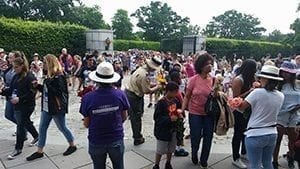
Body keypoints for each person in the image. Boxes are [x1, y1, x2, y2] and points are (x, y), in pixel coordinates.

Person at [79, 62, 129, 169]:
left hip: (96, 139)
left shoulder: (87, 98)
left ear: (96, 79)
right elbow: (124, 117)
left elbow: (86, 124)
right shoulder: (120, 94)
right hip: (116, 138)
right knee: (119, 166)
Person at [26, 54, 77, 161]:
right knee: (42, 128)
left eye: (44, 62)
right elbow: (47, 91)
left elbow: (59, 92)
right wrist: (38, 86)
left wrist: (47, 83)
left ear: (49, 63)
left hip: (56, 108)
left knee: (62, 127)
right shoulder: (50, 76)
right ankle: (40, 151)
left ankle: (72, 145)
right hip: (47, 106)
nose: (43, 64)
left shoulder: (59, 76)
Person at [236, 65, 284, 169]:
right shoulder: (281, 95)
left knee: (255, 164)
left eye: (261, 78)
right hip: (272, 132)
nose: (259, 79)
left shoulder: (256, 93)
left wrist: (235, 103)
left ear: (266, 79)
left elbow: (241, 108)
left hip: (255, 133)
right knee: (267, 163)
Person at [0, 55, 39, 160]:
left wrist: (20, 99)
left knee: (20, 125)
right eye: (13, 67)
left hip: (27, 105)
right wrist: (2, 91)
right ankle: (36, 135)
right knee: (25, 122)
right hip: (18, 105)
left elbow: (32, 93)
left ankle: (18, 148)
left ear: (22, 66)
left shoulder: (30, 76)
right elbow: (11, 89)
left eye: (16, 67)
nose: (14, 69)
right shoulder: (15, 76)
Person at [181, 53, 215, 168]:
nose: (209, 66)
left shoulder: (214, 80)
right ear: (201, 66)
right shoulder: (193, 80)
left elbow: (219, 96)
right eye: (207, 64)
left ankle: (204, 158)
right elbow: (187, 96)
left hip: (209, 114)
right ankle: (194, 152)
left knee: (208, 136)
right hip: (195, 113)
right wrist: (182, 110)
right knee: (195, 136)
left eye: (211, 63)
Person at [125, 56, 162, 145]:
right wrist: (158, 87)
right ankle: (137, 138)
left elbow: (144, 85)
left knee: (137, 116)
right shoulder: (144, 75)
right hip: (134, 96)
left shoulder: (140, 70)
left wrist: (154, 85)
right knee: (136, 118)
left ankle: (137, 135)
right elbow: (146, 91)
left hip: (132, 93)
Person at [273, 61, 300, 169]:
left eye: (288, 73)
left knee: (292, 138)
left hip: (295, 114)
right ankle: (274, 161)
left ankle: (291, 157)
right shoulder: (278, 84)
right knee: (278, 139)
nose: (286, 74)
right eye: (284, 72)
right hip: (280, 114)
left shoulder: (297, 84)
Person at [231, 59, 257, 169]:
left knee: (246, 132)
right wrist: (250, 91)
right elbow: (236, 98)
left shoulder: (252, 79)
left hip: (249, 109)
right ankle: (235, 157)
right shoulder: (238, 80)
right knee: (238, 133)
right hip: (239, 110)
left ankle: (244, 152)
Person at [153, 82, 183, 169]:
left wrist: (179, 114)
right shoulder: (161, 103)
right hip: (163, 131)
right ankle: (156, 164)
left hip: (173, 129)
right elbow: (157, 118)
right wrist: (169, 119)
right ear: (168, 91)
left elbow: (178, 110)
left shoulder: (176, 101)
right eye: (175, 92)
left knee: (171, 148)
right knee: (160, 149)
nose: (176, 94)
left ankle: (168, 163)